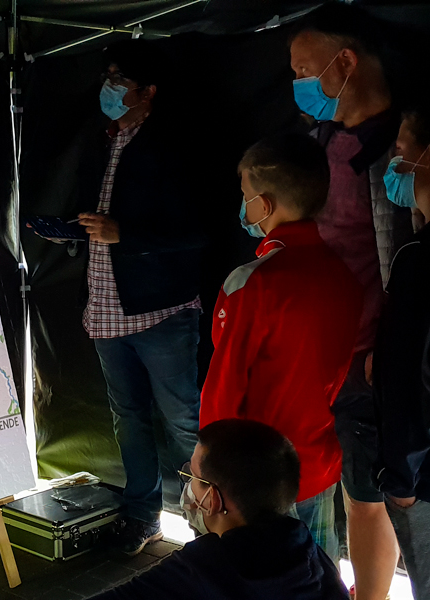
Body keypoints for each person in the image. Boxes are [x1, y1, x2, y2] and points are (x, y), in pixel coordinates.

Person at [289, 5, 417, 596]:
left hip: (373, 358)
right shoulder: (321, 140)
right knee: (345, 492)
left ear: (346, 63)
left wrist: (391, 351)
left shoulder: (407, 149)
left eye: (304, 69)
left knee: (375, 501)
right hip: (324, 354)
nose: (297, 85)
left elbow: (414, 271)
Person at [200, 133, 363, 564]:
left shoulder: (252, 283)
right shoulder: (344, 278)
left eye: (246, 197)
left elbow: (223, 390)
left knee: (265, 579)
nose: (244, 206)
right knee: (317, 574)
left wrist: (206, 473)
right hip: (318, 462)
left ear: (265, 205)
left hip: (257, 481)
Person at [76, 39, 204, 555]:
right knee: (128, 420)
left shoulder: (176, 144)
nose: (109, 88)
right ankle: (142, 517)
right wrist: (73, 230)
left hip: (161, 310)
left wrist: (124, 234)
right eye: (106, 76)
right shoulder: (105, 142)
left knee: (184, 423)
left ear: (148, 91)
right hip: (105, 310)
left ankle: (213, 524)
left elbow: (198, 230)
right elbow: (105, 219)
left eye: (119, 79)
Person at [89, 419, 350, 600]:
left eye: (193, 477)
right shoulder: (309, 552)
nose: (189, 487)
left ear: (213, 498)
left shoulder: (201, 568)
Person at [373, 104, 430, 599]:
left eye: (402, 149)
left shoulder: (417, 261)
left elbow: (410, 382)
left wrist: (402, 475)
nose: (395, 160)